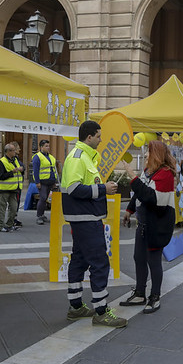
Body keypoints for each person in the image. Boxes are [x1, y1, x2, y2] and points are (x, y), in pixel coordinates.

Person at [61, 120, 126, 327]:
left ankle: (76, 306)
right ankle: (100, 311)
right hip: (86, 219)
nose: (101, 139)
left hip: (85, 218)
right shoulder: (78, 158)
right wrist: (103, 189)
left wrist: (102, 188)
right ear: (89, 137)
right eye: (98, 136)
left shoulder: (84, 157)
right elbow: (73, 189)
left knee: (79, 260)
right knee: (99, 262)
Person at [120, 140, 177, 314]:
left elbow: (152, 198)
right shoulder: (149, 172)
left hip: (157, 225)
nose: (145, 155)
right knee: (139, 257)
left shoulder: (166, 175)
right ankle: (139, 293)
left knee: (153, 261)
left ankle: (155, 296)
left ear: (156, 155)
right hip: (144, 224)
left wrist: (132, 175)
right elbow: (140, 193)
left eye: (148, 152)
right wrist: (129, 210)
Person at [0, 143, 24, 232]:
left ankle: (9, 224)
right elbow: (1, 176)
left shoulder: (15, 159)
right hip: (4, 189)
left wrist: (22, 169)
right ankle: (1, 226)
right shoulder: (2, 162)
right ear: (8, 151)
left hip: (14, 188)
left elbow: (21, 168)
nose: (15, 152)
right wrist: (12, 172)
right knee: (2, 208)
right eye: (13, 150)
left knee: (14, 207)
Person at [32, 139, 60, 225]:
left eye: (48, 146)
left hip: (50, 181)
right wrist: (37, 182)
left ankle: (42, 215)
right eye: (46, 146)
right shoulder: (37, 157)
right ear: (41, 147)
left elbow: (53, 170)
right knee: (43, 198)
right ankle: (39, 216)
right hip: (42, 181)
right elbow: (35, 170)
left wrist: (54, 181)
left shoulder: (51, 157)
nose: (48, 148)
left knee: (46, 199)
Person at [8, 141, 25, 229]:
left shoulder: (16, 158)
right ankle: (12, 220)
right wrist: (19, 168)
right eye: (18, 148)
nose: (19, 149)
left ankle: (14, 218)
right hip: (13, 185)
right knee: (14, 203)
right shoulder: (12, 159)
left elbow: (23, 167)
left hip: (17, 184)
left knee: (15, 203)